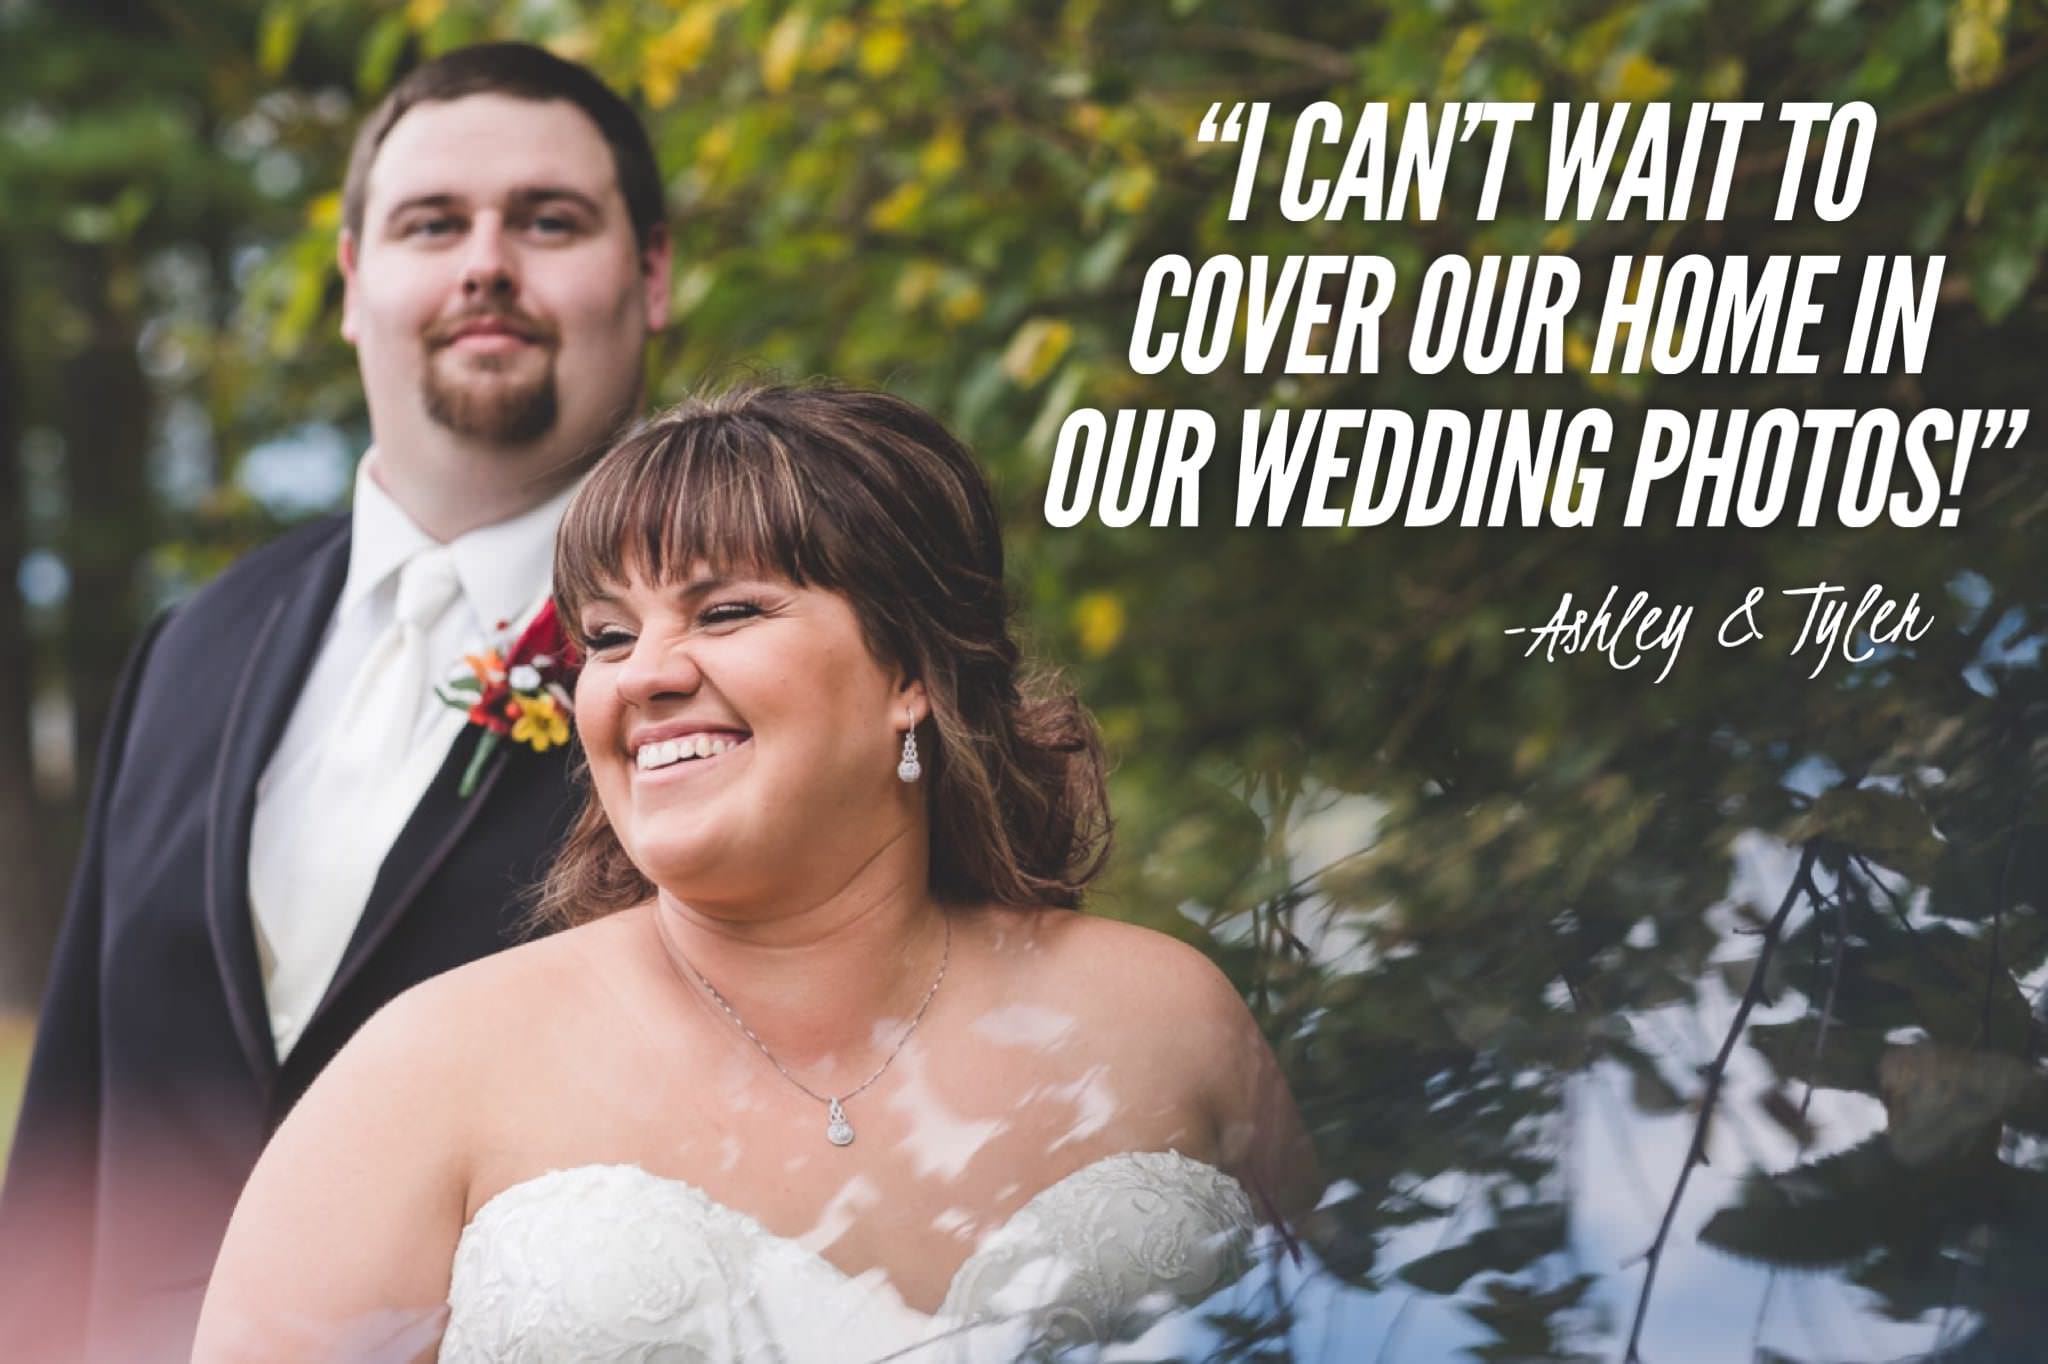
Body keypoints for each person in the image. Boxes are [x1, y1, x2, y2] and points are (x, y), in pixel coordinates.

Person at [193, 384, 1320, 1361]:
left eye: (725, 611)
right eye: (608, 637)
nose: (646, 676)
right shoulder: (427, 1069)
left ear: (908, 673)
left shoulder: (1169, 1019)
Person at [0, 42, 672, 1360]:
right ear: (356, 282)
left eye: (549, 220)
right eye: (433, 223)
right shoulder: (196, 643)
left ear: (649, 277)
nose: (488, 261)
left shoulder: (720, 655)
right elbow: (78, 1116)